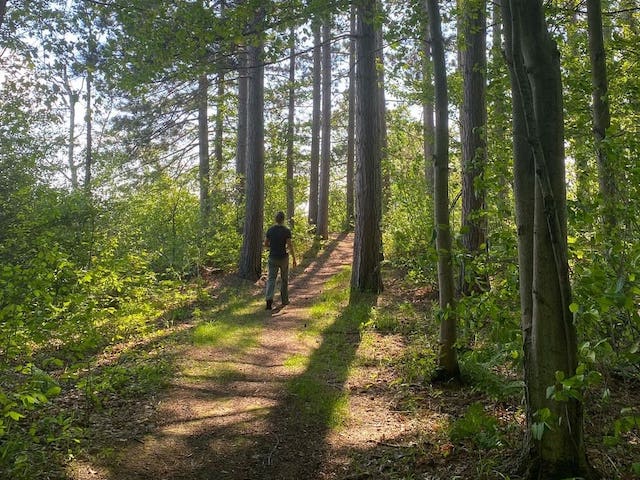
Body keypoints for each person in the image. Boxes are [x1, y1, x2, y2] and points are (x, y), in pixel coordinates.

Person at [264, 211, 297, 310]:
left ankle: (269, 301)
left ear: (275, 219)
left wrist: (272, 246)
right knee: (284, 279)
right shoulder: (286, 231)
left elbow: (265, 244)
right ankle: (285, 300)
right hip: (283, 258)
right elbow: (290, 245)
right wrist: (294, 258)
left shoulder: (270, 230)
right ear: (283, 219)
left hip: (272, 257)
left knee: (271, 279)